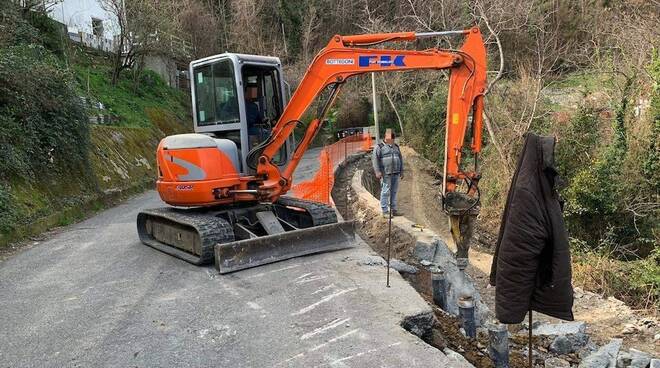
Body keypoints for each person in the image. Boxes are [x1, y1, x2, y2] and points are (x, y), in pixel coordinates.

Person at [372, 129, 404, 217]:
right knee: (385, 192)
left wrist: (402, 171)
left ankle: (393, 210)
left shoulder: (396, 147)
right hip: (386, 173)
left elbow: (400, 159)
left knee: (394, 192)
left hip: (396, 173)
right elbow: (375, 160)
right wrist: (377, 172)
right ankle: (385, 211)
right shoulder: (379, 147)